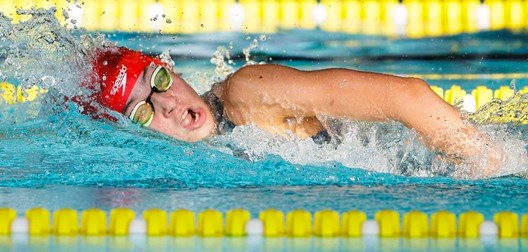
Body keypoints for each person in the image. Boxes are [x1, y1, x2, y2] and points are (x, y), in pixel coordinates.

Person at [83, 46, 504, 177]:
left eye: (158, 82)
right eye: (142, 112)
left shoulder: (247, 95)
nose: (171, 105)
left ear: (168, 68)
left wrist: (486, 166)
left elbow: (407, 97)